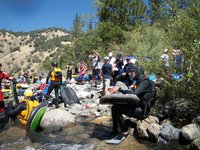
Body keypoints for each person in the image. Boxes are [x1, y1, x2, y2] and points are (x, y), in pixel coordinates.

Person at [109, 66, 156, 136]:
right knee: (114, 107)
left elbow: (134, 93)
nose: (131, 74)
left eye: (132, 72)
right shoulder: (141, 82)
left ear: (138, 73)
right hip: (138, 107)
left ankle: (124, 130)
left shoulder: (145, 82)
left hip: (142, 111)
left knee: (116, 108)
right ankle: (115, 130)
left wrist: (120, 90)